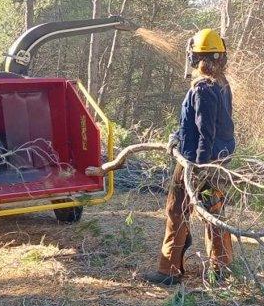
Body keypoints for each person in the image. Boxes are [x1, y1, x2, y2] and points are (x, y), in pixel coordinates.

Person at [88, 28, 235, 286]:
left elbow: (205, 133)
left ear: (195, 58)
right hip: (218, 163)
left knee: (176, 211)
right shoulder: (222, 86)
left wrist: (197, 170)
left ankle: (169, 270)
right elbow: (202, 125)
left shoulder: (202, 90)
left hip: (195, 162)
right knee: (214, 214)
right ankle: (220, 270)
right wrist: (177, 135)